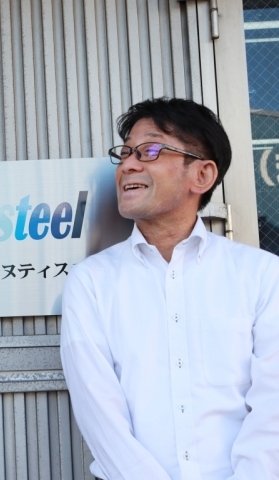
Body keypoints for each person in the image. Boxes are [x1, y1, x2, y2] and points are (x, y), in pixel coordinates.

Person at [60, 98, 279, 479]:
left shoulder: (261, 274)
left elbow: (272, 403)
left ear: (202, 175)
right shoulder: (91, 281)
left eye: (149, 150)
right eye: (125, 153)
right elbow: (99, 413)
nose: (128, 165)